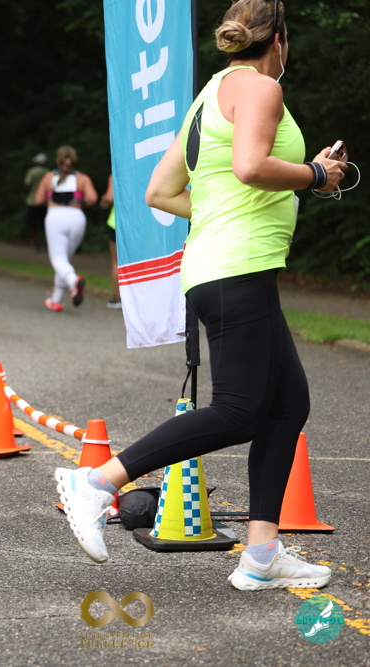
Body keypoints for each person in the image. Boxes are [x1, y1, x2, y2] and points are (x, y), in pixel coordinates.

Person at [55, 0, 346, 590]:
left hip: (225, 267)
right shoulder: (261, 88)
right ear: (279, 39)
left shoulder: (210, 93)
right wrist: (316, 174)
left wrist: (221, 212)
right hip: (237, 267)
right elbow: (250, 166)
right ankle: (97, 482)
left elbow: (160, 191)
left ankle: (261, 555)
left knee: (287, 405)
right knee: (240, 411)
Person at [34, 145, 97, 312]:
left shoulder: (48, 177)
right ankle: (55, 300)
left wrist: (51, 195)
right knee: (64, 261)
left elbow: (38, 199)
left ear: (58, 160)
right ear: (74, 161)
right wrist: (80, 200)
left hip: (55, 217)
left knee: (58, 260)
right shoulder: (82, 178)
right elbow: (92, 198)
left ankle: (73, 281)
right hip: (77, 218)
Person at [100, 174, 122, 308]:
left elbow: (109, 198)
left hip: (116, 223)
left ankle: (118, 298)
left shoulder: (116, 173)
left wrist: (104, 200)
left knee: (116, 262)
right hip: (138, 224)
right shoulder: (143, 170)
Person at [23, 153, 49, 250]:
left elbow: (27, 185)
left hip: (32, 201)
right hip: (44, 202)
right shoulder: (48, 173)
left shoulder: (32, 171)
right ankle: (45, 244)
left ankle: (34, 244)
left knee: (32, 224)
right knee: (44, 225)